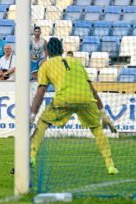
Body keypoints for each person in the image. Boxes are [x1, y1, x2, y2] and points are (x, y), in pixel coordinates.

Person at [30, 38, 118, 175]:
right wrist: (104, 115)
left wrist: (32, 115)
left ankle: (31, 156)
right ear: (62, 50)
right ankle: (110, 165)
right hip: (86, 99)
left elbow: (40, 92)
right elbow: (92, 89)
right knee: (97, 130)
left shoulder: (46, 66)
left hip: (64, 100)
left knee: (42, 123)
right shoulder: (76, 62)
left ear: (46, 51)